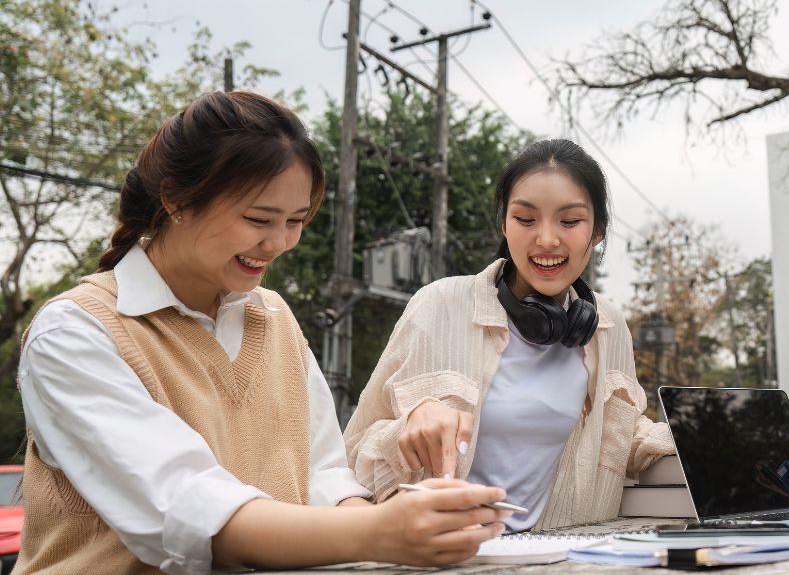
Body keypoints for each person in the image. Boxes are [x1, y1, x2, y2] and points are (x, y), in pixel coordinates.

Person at [15, 92, 508, 575]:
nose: (277, 243)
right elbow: (188, 511)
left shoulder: (273, 317)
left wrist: (411, 521)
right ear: (176, 200)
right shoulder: (74, 333)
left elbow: (322, 475)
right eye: (258, 219)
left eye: (296, 221)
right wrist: (380, 531)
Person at [344, 138, 675, 531]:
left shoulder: (609, 325)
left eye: (569, 221)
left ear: (597, 231)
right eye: (525, 219)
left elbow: (625, 433)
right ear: (504, 223)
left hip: (568, 557)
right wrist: (410, 426)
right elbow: (352, 455)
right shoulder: (439, 304)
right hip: (448, 555)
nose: (547, 239)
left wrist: (697, 441)